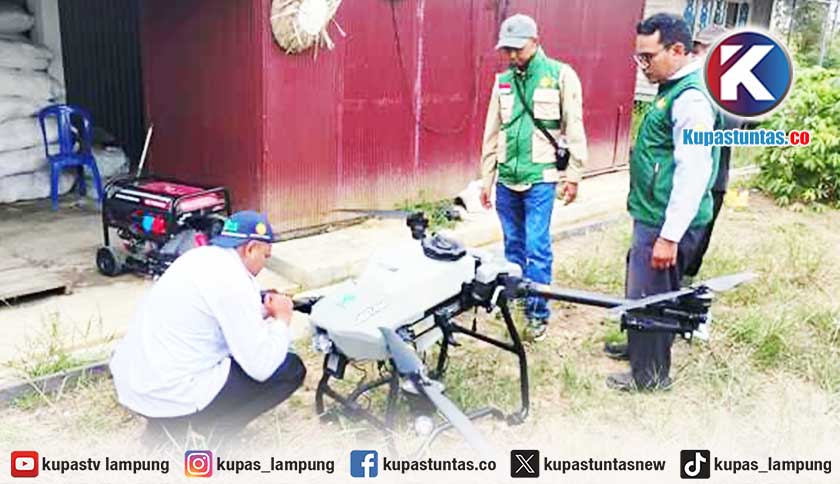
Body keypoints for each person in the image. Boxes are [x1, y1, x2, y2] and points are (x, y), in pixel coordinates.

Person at [110, 210, 306, 442]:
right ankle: (216, 432)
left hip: (137, 384)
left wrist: (263, 308)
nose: (265, 264)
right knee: (290, 368)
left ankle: (164, 429)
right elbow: (260, 367)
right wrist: (282, 319)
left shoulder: (199, 257)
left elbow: (219, 313)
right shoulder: (234, 282)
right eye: (265, 256)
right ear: (251, 248)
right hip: (172, 393)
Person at [604, 13, 720, 391]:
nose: (642, 66)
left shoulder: (691, 99)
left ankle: (650, 377)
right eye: (638, 56)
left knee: (653, 297)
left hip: (666, 222)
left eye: (648, 57)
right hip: (654, 213)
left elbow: (693, 171)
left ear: (677, 50)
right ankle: (639, 348)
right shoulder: (673, 86)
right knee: (644, 290)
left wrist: (669, 236)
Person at [479, 13, 588, 340]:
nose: (512, 55)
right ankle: (515, 299)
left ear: (536, 42)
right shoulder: (503, 82)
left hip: (540, 178)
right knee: (512, 245)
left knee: (536, 246)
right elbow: (492, 132)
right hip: (507, 178)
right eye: (507, 50)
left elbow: (574, 126)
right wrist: (487, 178)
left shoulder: (560, 75)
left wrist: (574, 174)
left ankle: (538, 313)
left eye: (518, 49)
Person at [683, 24, 741, 282]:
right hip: (678, 178)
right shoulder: (686, 85)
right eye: (697, 49)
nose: (698, 56)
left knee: (694, 247)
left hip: (711, 183)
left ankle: (682, 290)